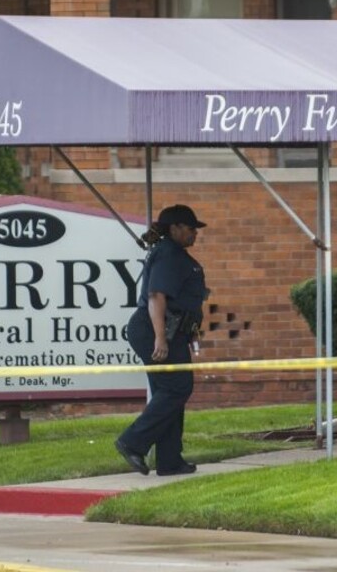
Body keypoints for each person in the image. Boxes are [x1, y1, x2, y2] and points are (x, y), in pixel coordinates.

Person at [114, 204, 207, 477]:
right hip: (156, 330)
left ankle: (169, 460)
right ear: (175, 228)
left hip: (171, 331)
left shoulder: (174, 254)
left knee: (169, 393)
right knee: (177, 388)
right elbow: (156, 297)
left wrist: (189, 330)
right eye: (190, 228)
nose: (195, 233)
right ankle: (132, 442)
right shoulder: (168, 254)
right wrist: (160, 338)